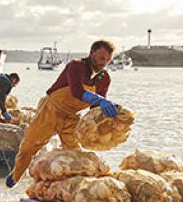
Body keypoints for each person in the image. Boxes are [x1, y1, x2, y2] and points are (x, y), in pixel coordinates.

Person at [6, 39, 120, 188]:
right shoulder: (76, 66)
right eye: (101, 58)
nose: (103, 63)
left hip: (72, 117)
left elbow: (94, 108)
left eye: (107, 60)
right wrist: (99, 99)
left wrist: (107, 118)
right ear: (91, 53)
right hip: (51, 110)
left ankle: (66, 187)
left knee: (74, 153)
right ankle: (15, 176)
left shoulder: (104, 78)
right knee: (29, 146)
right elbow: (77, 91)